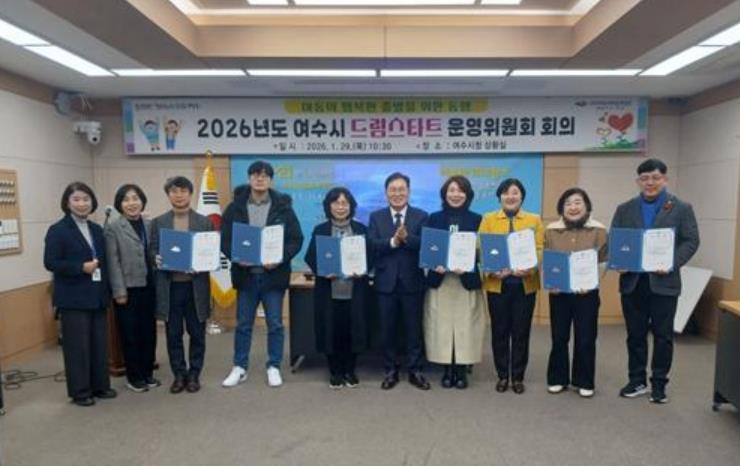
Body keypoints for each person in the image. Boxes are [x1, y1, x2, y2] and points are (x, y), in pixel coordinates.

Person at [611, 158, 699, 404]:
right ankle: (637, 380)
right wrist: (618, 261)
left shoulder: (681, 208)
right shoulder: (625, 208)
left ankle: (659, 383)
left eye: (655, 178)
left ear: (665, 179)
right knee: (635, 335)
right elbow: (616, 239)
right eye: (645, 178)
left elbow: (691, 240)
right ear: (638, 181)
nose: (650, 182)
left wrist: (671, 262)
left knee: (663, 336)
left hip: (664, 283)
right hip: (633, 283)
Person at [220, 161, 303, 388]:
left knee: (275, 323)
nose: (260, 179)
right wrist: (236, 256)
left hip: (273, 276)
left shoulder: (283, 207)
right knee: (244, 324)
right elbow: (224, 240)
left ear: (271, 180)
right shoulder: (235, 207)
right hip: (245, 275)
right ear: (249, 178)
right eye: (256, 175)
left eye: (265, 175)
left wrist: (280, 258)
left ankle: (273, 366)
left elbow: (296, 239)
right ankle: (239, 367)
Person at [44, 182, 117, 406]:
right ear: (67, 203)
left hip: (96, 296)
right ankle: (81, 392)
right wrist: (79, 267)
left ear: (92, 202)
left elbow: (104, 262)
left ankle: (100, 386)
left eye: (86, 199)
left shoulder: (96, 229)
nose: (82, 203)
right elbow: (51, 262)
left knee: (99, 344)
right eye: (76, 199)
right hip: (73, 297)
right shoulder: (58, 230)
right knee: (78, 347)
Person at [479, 178, 544, 394]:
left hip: (524, 285)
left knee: (521, 332)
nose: (510, 197)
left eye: (515, 193)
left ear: (522, 196)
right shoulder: (488, 219)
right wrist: (492, 269)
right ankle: (502, 375)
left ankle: (517, 376)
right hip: (497, 284)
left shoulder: (534, 220)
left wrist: (530, 268)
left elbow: (540, 248)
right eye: (506, 193)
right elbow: (481, 247)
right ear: (500, 197)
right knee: (499, 331)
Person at [149, 176, 213, 394]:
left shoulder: (204, 222)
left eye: (183, 191)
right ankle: (179, 374)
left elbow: (211, 253)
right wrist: (155, 258)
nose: (179, 195)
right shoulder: (158, 222)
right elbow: (152, 250)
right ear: (168, 195)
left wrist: (202, 263)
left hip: (196, 287)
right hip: (170, 287)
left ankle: (194, 374)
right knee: (173, 334)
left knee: (197, 334)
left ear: (190, 194)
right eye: (174, 191)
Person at [304, 187, 372, 389]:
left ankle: (350, 370)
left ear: (351, 206)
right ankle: (335, 371)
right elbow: (311, 256)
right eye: (336, 203)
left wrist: (363, 270)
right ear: (329, 206)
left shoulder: (361, 229)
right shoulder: (321, 230)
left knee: (353, 330)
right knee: (331, 331)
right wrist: (322, 271)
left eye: (344, 203)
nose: (340, 207)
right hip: (329, 290)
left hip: (355, 289)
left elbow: (371, 256)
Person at [368, 172, 430, 390]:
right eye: (392, 190)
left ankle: (415, 370)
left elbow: (426, 245)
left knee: (414, 330)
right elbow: (372, 244)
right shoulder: (376, 217)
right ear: (386, 193)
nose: (397, 193)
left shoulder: (421, 216)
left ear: (408, 192)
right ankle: (390, 370)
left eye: (401, 189)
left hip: (413, 282)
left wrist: (407, 238)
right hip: (385, 282)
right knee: (387, 330)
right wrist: (394, 241)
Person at [544, 188, 607, 398]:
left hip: (587, 294)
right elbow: (547, 260)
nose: (573, 207)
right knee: (559, 337)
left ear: (586, 206)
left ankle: (584, 381)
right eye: (568, 203)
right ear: (561, 208)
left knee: (586, 338)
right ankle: (557, 378)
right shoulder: (551, 230)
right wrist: (551, 282)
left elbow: (604, 261)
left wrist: (592, 282)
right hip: (559, 293)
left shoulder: (599, 230)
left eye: (578, 202)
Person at [423, 176, 485, 389]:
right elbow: (429, 248)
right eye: (451, 190)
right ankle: (447, 370)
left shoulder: (477, 219)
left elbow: (482, 252)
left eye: (460, 191)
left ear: (467, 195)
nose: (455, 195)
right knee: (442, 326)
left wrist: (469, 263)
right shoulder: (434, 218)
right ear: (444, 194)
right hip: (441, 281)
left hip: (465, 281)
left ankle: (461, 370)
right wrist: (434, 263)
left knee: (465, 326)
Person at [104, 184, 159, 393]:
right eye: (126, 199)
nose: (131, 203)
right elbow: (113, 261)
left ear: (142, 201)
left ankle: (148, 372)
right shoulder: (113, 227)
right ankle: (134, 377)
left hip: (149, 286)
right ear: (119, 204)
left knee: (149, 332)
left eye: (135, 198)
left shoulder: (150, 224)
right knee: (130, 334)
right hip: (128, 289)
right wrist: (119, 291)